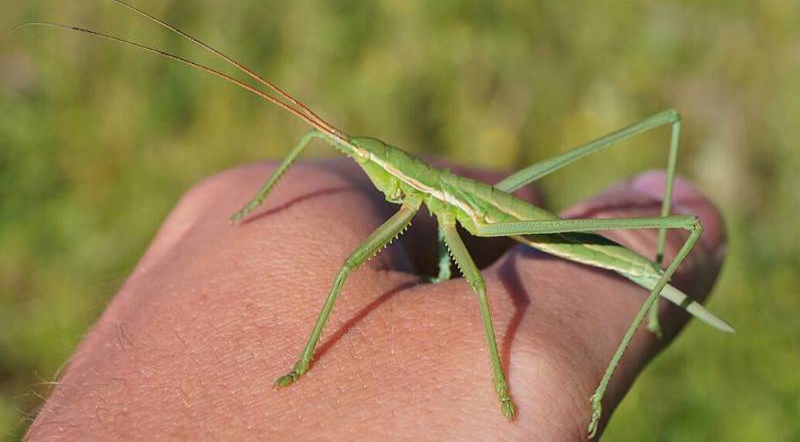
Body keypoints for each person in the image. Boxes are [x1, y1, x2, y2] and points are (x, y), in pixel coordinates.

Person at [26, 160, 725, 440]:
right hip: (474, 209)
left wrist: (500, 392)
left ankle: (591, 387)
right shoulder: (384, 172)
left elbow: (477, 282)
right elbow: (312, 136)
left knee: (478, 285)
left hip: (506, 219)